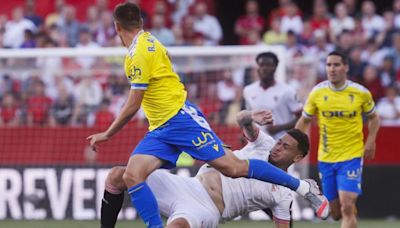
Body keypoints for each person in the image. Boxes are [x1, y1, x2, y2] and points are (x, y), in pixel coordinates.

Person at [87, 3, 327, 228]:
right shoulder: (151, 41)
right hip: (162, 127)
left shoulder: (137, 54)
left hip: (179, 120)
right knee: (130, 175)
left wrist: (108, 133)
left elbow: (133, 104)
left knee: (233, 168)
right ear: (140, 22)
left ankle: (302, 186)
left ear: (117, 27)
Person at [101, 109, 329, 228]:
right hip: (190, 186)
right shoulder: (264, 143)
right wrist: (251, 116)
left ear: (297, 156)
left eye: (285, 147)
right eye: (280, 142)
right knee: (118, 176)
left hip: (208, 209)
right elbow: (242, 119)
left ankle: (304, 187)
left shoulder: (283, 196)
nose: (278, 147)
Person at [296, 51, 380, 228]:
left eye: (336, 64)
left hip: (352, 156)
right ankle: (349, 215)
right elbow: (304, 120)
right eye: (328, 65)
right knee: (335, 213)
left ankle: (350, 211)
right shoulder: (317, 93)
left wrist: (371, 141)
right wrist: (296, 145)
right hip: (326, 157)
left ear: (346, 67)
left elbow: (374, 117)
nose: (332, 69)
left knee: (347, 204)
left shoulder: (360, 93)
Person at [244, 51, 302, 139]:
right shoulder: (248, 90)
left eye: (268, 65)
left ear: (275, 68)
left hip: (280, 143)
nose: (264, 68)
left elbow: (301, 117)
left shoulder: (287, 91)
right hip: (257, 144)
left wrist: (279, 128)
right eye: (261, 65)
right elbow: (248, 116)